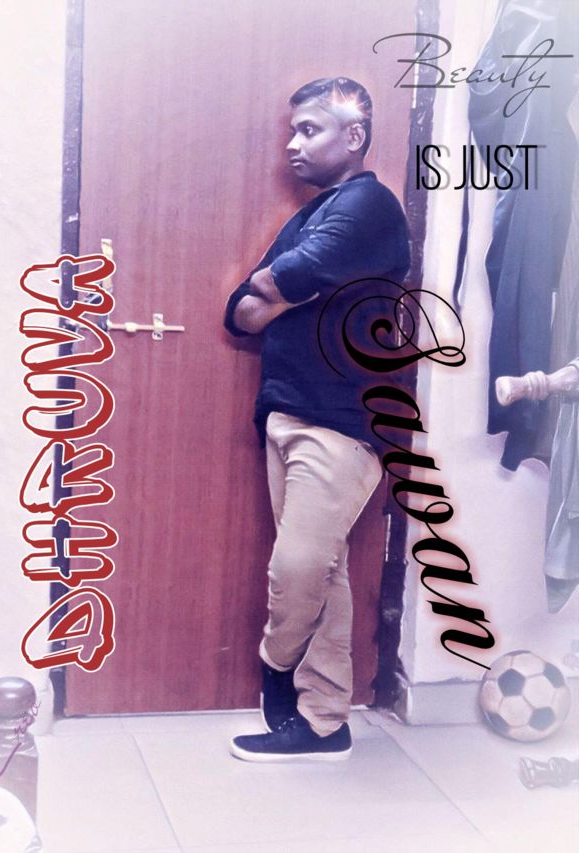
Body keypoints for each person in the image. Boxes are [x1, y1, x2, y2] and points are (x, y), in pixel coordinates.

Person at [223, 77, 410, 761]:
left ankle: (276, 665)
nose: (293, 145)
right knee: (323, 571)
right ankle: (326, 721)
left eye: (310, 129)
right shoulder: (314, 215)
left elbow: (274, 284)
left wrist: (281, 289)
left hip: (342, 419)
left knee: (299, 565)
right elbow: (241, 310)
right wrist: (285, 288)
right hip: (288, 412)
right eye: (291, 132)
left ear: (353, 136)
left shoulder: (367, 205)